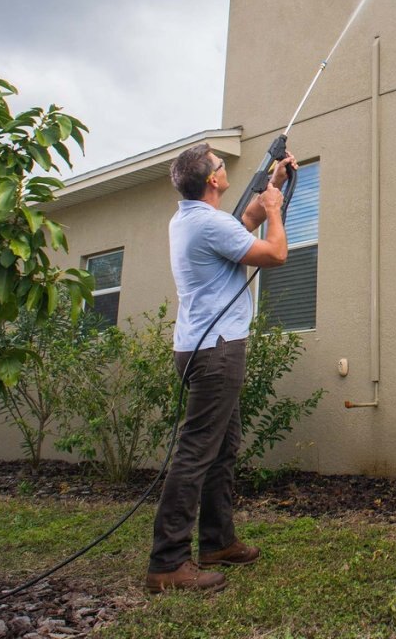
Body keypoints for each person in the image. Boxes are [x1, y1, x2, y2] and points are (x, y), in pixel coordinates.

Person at [145, 142, 296, 592]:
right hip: (217, 351)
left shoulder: (190, 219)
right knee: (195, 454)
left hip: (201, 347)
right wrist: (275, 209)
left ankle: (217, 542)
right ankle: (167, 563)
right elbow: (275, 253)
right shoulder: (206, 223)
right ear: (212, 181)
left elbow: (240, 225)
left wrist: (273, 186)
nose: (225, 167)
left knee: (221, 448)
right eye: (219, 165)